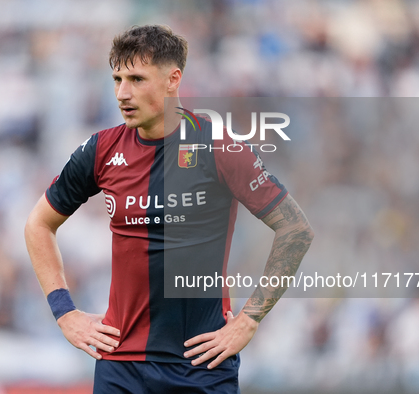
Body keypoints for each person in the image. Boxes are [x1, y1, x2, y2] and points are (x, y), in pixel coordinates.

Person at [25, 24, 314, 394]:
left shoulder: (218, 147)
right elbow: (38, 225)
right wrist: (65, 312)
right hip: (120, 365)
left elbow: (296, 229)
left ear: (172, 79)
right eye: (117, 79)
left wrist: (249, 319)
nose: (122, 93)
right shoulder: (100, 151)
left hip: (202, 364)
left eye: (136, 79)